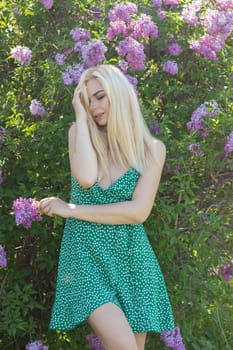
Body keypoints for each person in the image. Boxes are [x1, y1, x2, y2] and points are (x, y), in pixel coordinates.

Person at [39, 64, 177, 350]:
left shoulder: (152, 149)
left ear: (119, 94)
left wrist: (72, 210)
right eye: (88, 100)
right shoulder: (79, 132)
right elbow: (86, 178)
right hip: (85, 255)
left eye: (100, 97)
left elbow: (138, 212)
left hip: (132, 259)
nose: (93, 106)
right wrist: (79, 114)